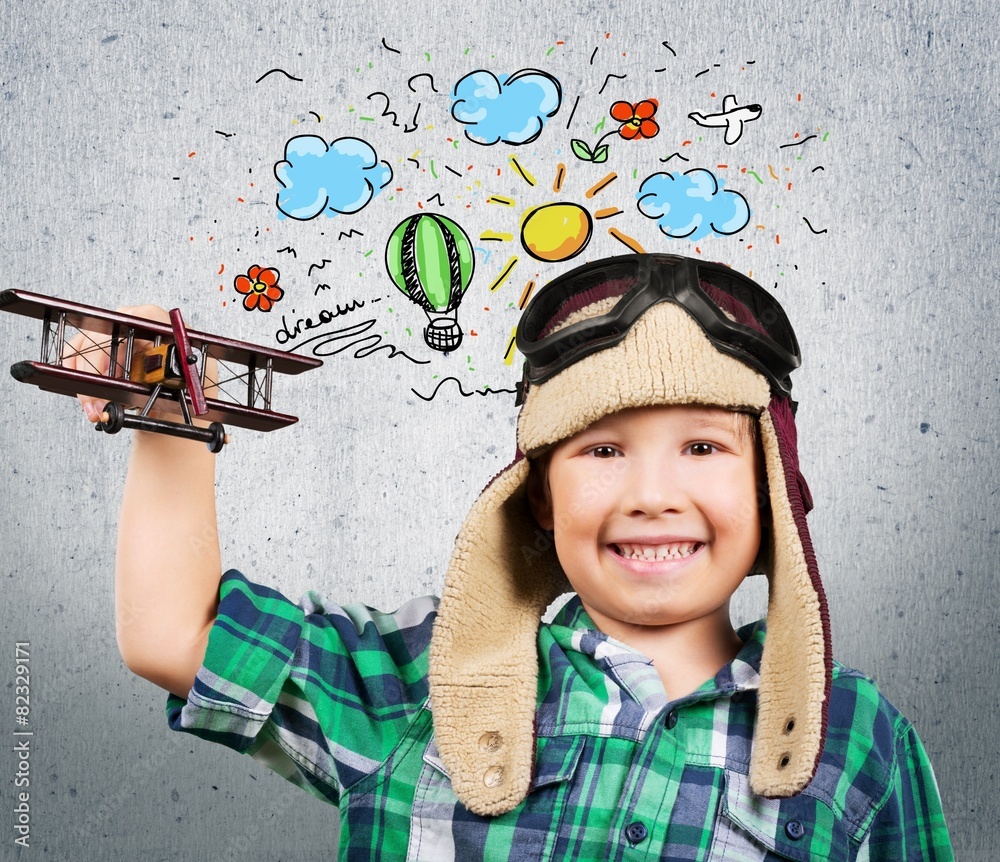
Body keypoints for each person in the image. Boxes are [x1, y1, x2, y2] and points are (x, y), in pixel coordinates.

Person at [72, 253, 953, 859]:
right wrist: (166, 412)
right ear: (538, 494)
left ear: (771, 487)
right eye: (602, 451)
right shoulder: (419, 682)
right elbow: (172, 633)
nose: (651, 493)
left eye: (703, 448)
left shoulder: (861, 741)